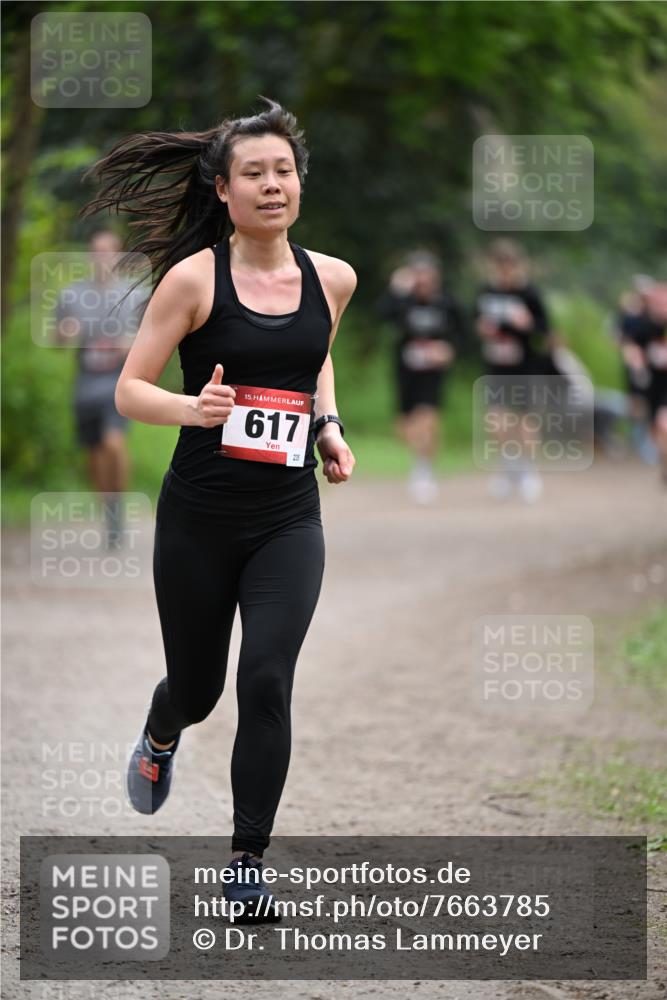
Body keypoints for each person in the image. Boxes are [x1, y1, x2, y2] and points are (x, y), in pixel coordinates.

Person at [81, 98, 357, 920]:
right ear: (223, 189)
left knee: (267, 679)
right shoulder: (194, 278)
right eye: (254, 173)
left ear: (299, 182)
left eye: (284, 171)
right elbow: (131, 390)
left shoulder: (331, 277)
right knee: (199, 690)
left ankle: (246, 861)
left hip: (286, 517)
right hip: (199, 516)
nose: (273, 185)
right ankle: (162, 731)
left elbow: (314, 362)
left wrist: (329, 427)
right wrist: (191, 411)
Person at [54, 229, 144, 546]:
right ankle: (108, 511)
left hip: (118, 384)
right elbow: (56, 337)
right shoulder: (72, 295)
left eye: (109, 252)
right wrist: (65, 332)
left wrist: (129, 344)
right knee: (94, 455)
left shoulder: (134, 294)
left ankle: (117, 512)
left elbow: (152, 337)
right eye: (97, 251)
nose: (102, 258)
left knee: (114, 444)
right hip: (86, 385)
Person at [378, 250, 464, 503]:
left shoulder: (447, 303)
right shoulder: (404, 301)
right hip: (406, 371)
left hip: (433, 373)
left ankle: (424, 470)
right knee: (405, 427)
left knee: (428, 419)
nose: (423, 279)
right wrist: (396, 289)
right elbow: (382, 315)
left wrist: (449, 350)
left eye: (427, 273)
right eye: (418, 273)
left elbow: (463, 334)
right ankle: (420, 461)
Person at [474, 239, 555, 503]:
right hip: (496, 368)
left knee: (525, 423)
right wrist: (482, 329)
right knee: (497, 422)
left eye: (509, 266)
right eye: (500, 266)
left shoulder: (529, 294)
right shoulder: (485, 292)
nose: (504, 272)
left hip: (526, 368)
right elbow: (474, 323)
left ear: (518, 266)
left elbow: (545, 331)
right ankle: (509, 469)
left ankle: (529, 473)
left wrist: (528, 324)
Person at [619, 278, 667, 483]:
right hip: (653, 384)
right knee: (656, 426)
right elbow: (629, 346)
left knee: (664, 422)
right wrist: (636, 362)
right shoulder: (643, 326)